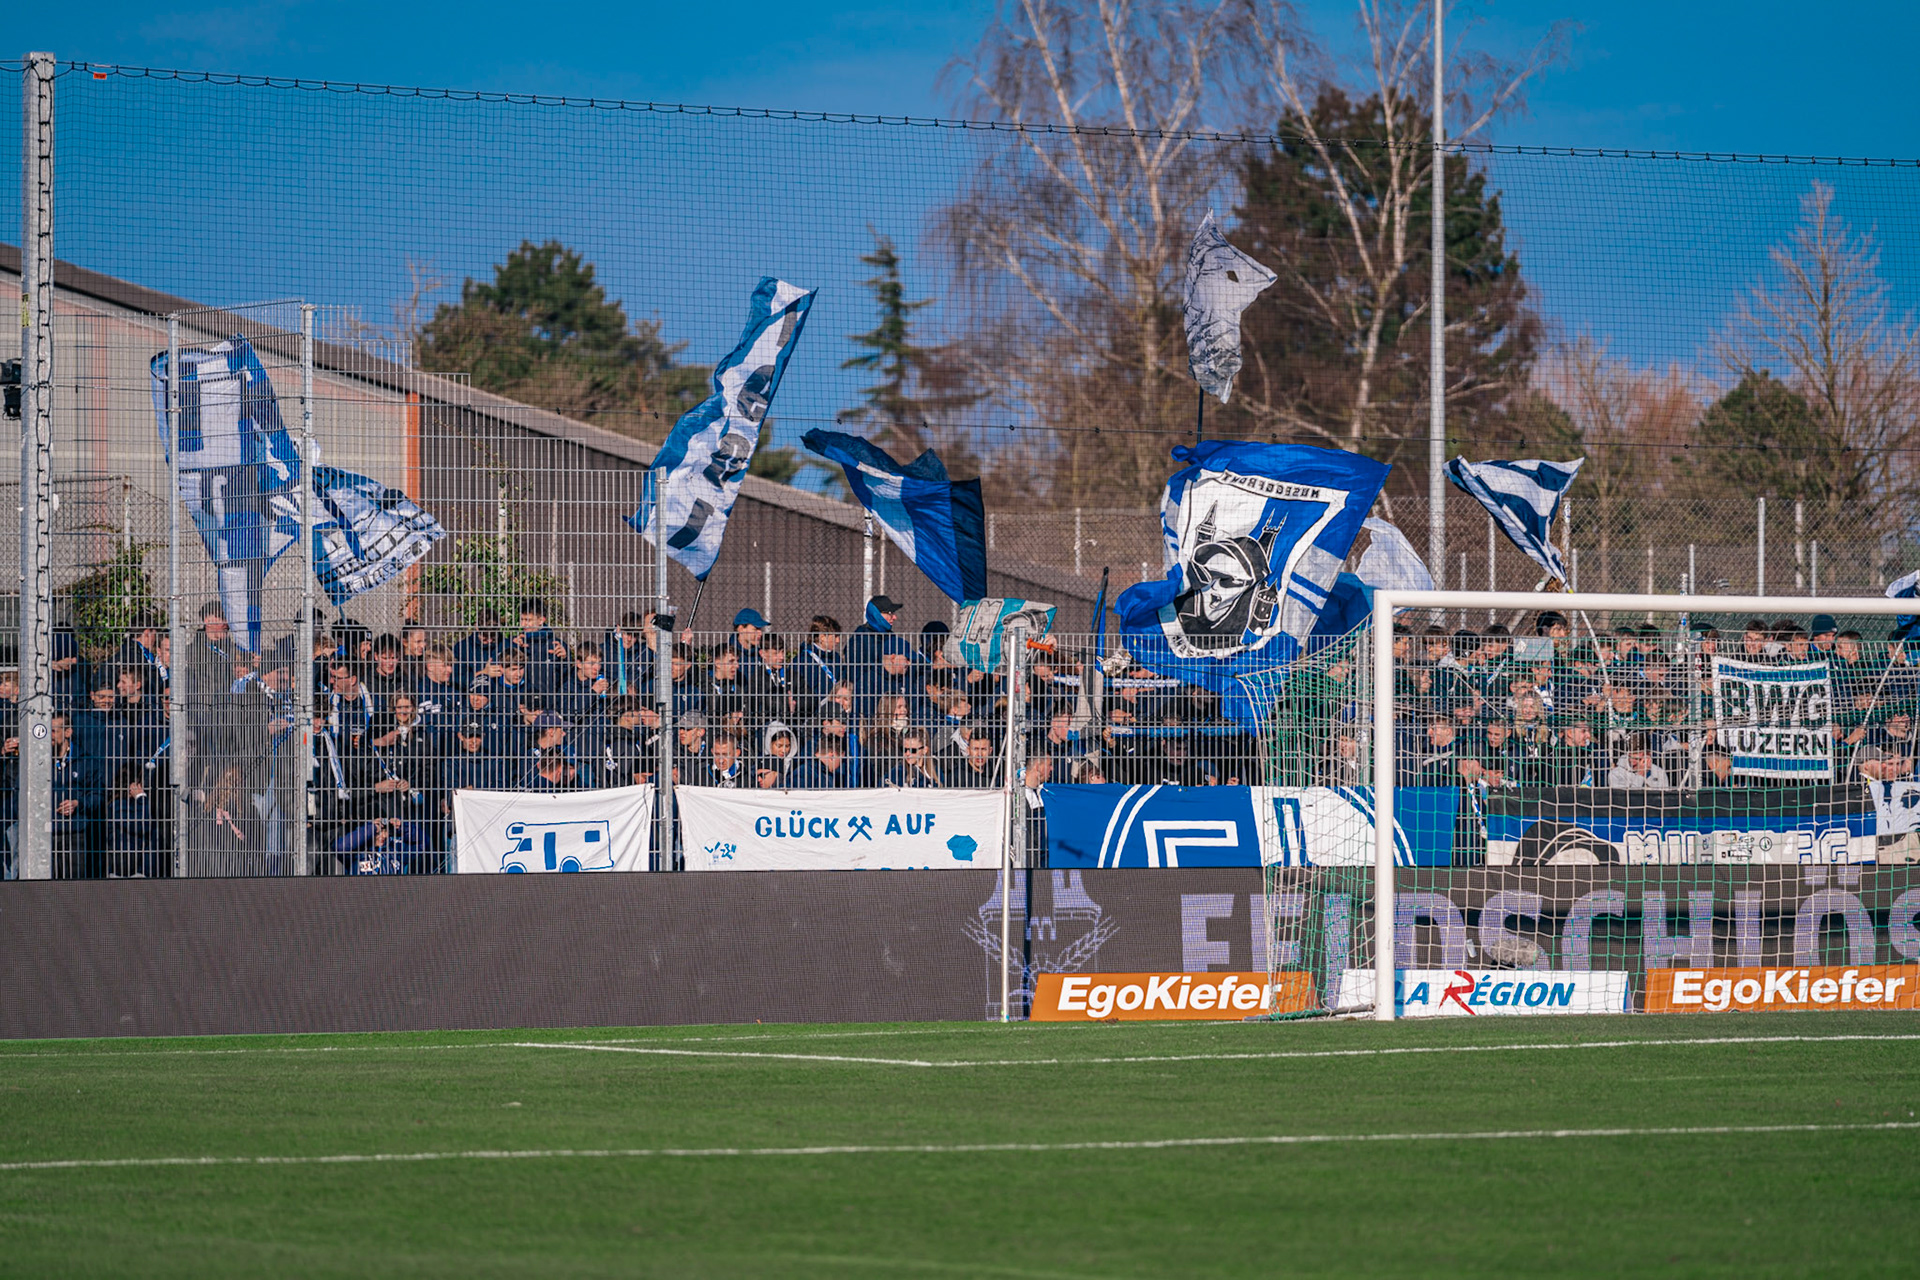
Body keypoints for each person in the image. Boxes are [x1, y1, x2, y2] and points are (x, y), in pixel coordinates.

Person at [1607, 737, 1671, 790]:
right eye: (1630, 757)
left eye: (1638, 759)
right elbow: (1626, 801)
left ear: (1648, 755)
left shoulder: (1659, 772)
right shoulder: (1615, 774)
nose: (1633, 762)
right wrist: (1640, 775)